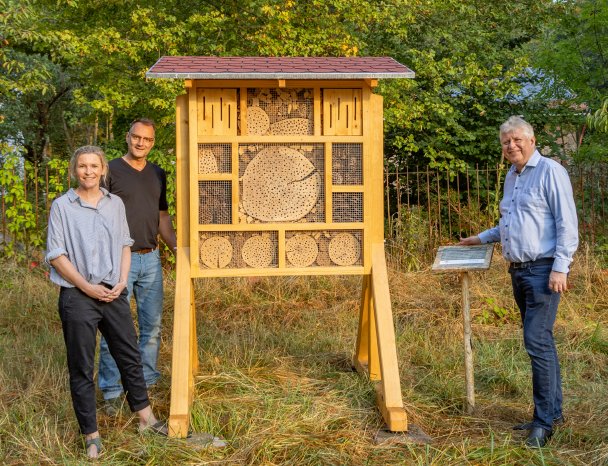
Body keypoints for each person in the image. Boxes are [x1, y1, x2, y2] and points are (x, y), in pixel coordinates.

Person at [459, 116, 578, 448]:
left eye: (516, 140)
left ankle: (543, 425)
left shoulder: (551, 171)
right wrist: (480, 238)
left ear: (532, 140)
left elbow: (567, 223)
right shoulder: (512, 176)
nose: (511, 146)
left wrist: (560, 268)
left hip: (543, 271)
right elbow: (511, 223)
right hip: (518, 270)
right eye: (505, 142)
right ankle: (552, 413)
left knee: (535, 342)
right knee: (542, 342)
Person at [46, 146, 167, 459]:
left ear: (103, 170)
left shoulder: (115, 204)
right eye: (82, 166)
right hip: (77, 296)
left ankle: (146, 419)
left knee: (129, 355)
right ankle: (92, 435)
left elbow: (125, 244)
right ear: (75, 171)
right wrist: (87, 287)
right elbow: (56, 255)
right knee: (82, 366)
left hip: (113, 292)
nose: (88, 171)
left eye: (94, 166)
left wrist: (122, 282)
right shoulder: (62, 206)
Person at [98, 118, 177, 412]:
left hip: (151, 258)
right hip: (119, 260)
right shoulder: (111, 171)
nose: (140, 142)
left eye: (147, 139)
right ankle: (112, 392)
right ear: (127, 137)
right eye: (136, 137)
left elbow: (163, 218)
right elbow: (97, 215)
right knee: (114, 328)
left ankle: (145, 385)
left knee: (152, 326)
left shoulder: (158, 174)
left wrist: (176, 248)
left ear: (152, 143)